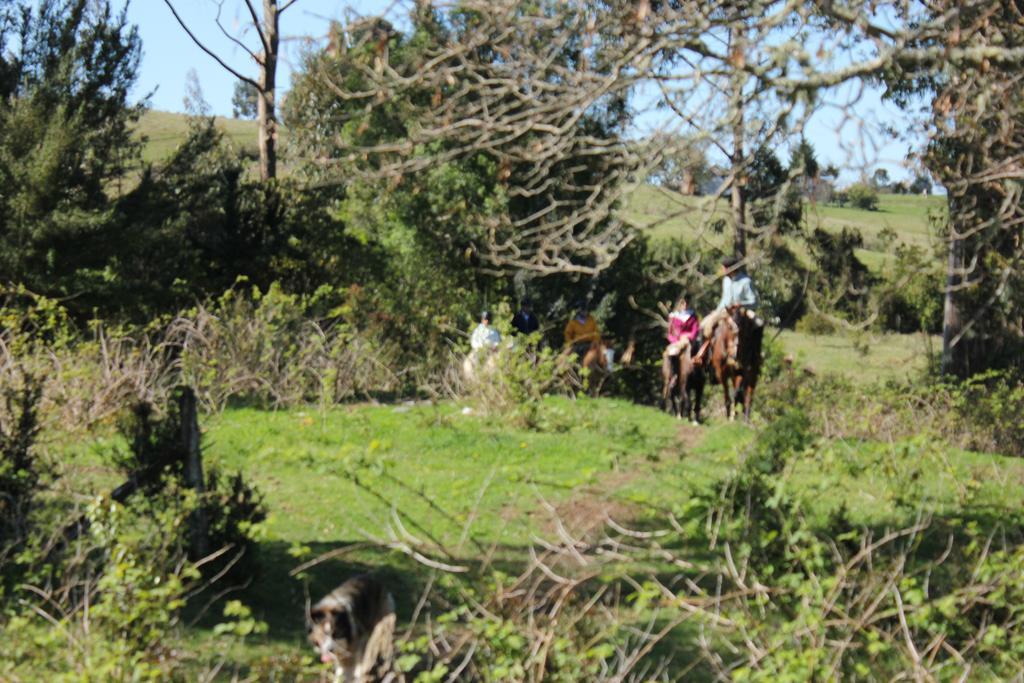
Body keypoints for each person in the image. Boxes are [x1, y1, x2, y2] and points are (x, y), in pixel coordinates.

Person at [694, 256, 761, 365]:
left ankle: (757, 355)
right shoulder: (725, 281)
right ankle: (704, 356)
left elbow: (754, 302)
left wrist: (741, 304)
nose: (722, 270)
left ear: (731, 268)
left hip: (742, 310)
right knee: (704, 325)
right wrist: (716, 311)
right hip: (724, 311)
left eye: (723, 268)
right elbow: (724, 299)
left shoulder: (746, 281)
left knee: (759, 324)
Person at [664, 295, 700, 376]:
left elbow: (695, 330)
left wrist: (689, 337)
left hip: (689, 340)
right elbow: (670, 333)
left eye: (686, 303)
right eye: (683, 303)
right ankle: (672, 375)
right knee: (671, 354)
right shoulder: (673, 317)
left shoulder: (693, 316)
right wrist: (676, 341)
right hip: (676, 342)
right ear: (679, 304)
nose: (685, 305)